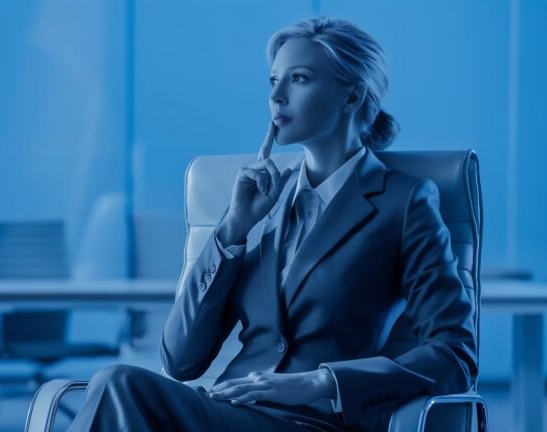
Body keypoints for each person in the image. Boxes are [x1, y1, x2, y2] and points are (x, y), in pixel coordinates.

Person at [66, 16, 477, 432]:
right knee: (119, 387)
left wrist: (320, 382)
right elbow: (180, 360)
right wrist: (233, 229)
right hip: (227, 413)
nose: (277, 97)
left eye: (298, 79)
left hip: (313, 421)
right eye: (273, 81)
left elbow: (453, 353)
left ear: (351, 96)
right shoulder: (263, 200)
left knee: (118, 386)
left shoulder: (403, 201)